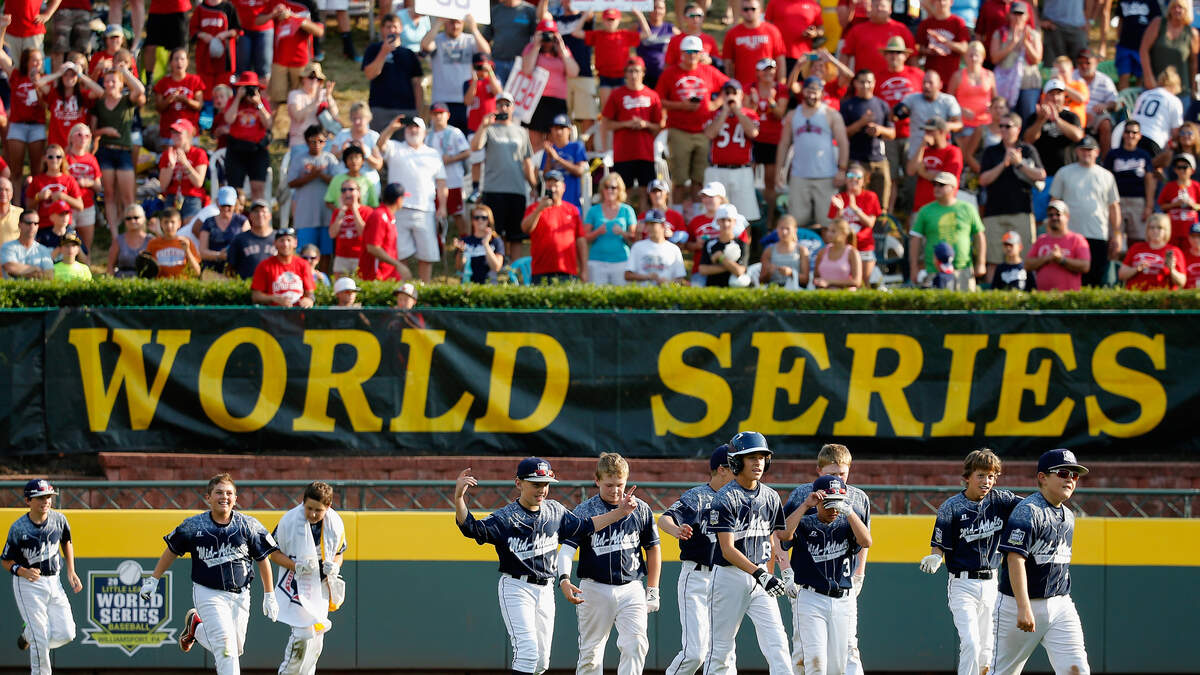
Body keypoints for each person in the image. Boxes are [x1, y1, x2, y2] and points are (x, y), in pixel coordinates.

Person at [453, 458, 639, 675]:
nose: (542, 489)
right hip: (517, 587)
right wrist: (458, 498)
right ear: (518, 483)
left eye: (545, 484)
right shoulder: (506, 517)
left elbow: (586, 526)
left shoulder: (554, 511)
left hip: (545, 589)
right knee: (527, 654)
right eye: (535, 484)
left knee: (541, 662)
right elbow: (472, 528)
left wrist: (621, 512)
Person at [141, 474, 295, 675]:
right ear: (208, 497)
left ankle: (196, 628)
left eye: (229, 493)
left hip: (240, 594)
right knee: (226, 649)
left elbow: (262, 559)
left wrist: (269, 595)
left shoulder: (247, 525)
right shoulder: (193, 526)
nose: (225, 497)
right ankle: (199, 628)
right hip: (208, 592)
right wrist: (154, 579)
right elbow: (172, 550)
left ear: (236, 498)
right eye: (219, 492)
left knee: (235, 648)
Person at [918, 449, 1022, 675]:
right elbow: (939, 542)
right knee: (972, 644)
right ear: (967, 477)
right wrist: (936, 556)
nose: (987, 481)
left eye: (992, 476)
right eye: (981, 475)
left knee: (988, 649)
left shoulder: (1001, 500)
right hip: (962, 584)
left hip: (992, 583)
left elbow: (1028, 507)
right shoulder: (951, 506)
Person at [557, 453, 661, 675]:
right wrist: (564, 578)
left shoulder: (640, 508)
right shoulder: (585, 510)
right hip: (594, 588)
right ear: (597, 480)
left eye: (620, 484)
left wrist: (653, 589)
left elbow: (652, 548)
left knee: (636, 645)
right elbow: (566, 549)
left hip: (631, 587)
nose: (615, 490)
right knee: (591, 655)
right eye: (609, 484)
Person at [991, 449, 1091, 675]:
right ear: (1042, 478)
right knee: (1003, 672)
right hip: (1016, 605)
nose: (1070, 479)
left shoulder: (1068, 516)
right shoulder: (1028, 511)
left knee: (1077, 669)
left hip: (1060, 604)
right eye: (1063, 473)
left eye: (1074, 475)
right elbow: (1014, 558)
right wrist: (1023, 607)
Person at [778, 443, 873, 675]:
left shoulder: (858, 498)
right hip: (808, 584)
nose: (838, 478)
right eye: (832, 474)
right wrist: (786, 570)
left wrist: (860, 572)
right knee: (807, 653)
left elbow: (865, 540)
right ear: (819, 471)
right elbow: (780, 536)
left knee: (848, 650)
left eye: (842, 473)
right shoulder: (803, 494)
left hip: (842, 585)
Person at [704, 431, 793, 675]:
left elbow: (772, 539)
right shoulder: (724, 498)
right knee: (720, 650)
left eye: (762, 457)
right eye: (750, 457)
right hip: (729, 577)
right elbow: (727, 549)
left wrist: (777, 572)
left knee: (778, 644)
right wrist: (761, 574)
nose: (758, 462)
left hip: (761, 574)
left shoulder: (771, 496)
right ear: (735, 461)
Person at [658, 446, 734, 675]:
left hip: (726, 579)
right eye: (735, 467)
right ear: (722, 469)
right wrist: (676, 529)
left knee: (725, 653)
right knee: (695, 653)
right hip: (697, 578)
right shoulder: (698, 496)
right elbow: (664, 520)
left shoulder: (738, 496)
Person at [1, 479, 81, 675]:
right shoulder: (19, 527)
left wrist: (71, 570)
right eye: (39, 497)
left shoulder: (59, 519)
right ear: (28, 500)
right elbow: (6, 560)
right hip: (28, 583)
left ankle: (29, 635)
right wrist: (23, 571)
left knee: (67, 633)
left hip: (54, 581)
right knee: (41, 638)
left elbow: (66, 541)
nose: (45, 501)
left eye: (48, 497)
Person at [272, 481, 346, 675]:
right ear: (302, 502)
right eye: (309, 508)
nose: (313, 514)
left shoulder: (335, 523)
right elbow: (273, 553)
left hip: (320, 585)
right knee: (302, 636)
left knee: (316, 641)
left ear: (328, 507)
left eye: (318, 510)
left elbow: (340, 553)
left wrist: (334, 566)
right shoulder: (288, 521)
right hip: (296, 583)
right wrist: (296, 566)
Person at [657, 35, 729, 210]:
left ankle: (698, 216)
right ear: (681, 53)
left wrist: (717, 103)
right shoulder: (670, 73)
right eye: (688, 52)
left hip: (703, 132)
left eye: (695, 52)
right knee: (680, 180)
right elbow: (658, 99)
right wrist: (681, 106)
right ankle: (678, 215)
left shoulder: (708, 71)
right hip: (679, 130)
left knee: (699, 179)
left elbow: (729, 85)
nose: (692, 56)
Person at [377, 116, 447, 282]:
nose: (413, 130)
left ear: (424, 132)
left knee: (427, 254)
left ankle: (424, 289)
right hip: (398, 210)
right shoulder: (396, 147)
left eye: (416, 128)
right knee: (400, 253)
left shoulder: (433, 154)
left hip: (425, 210)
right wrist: (392, 128)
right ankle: (404, 289)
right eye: (409, 128)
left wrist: (442, 206)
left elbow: (442, 182)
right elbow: (380, 145)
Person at [776, 76, 850, 229]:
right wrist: (779, 171)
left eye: (815, 91)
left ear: (822, 93)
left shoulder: (830, 114)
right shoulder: (792, 115)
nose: (812, 95)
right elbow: (784, 144)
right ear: (803, 91)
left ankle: (827, 252)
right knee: (796, 221)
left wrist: (842, 170)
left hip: (826, 175)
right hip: (799, 175)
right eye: (809, 91)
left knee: (828, 221)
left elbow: (843, 142)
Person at [978, 110, 1045, 280]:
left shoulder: (1027, 150)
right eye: (1001, 126)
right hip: (994, 214)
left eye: (1008, 126)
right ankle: (992, 300)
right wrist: (1003, 163)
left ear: (1018, 128)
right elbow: (983, 180)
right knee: (993, 260)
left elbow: (1041, 175)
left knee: (1024, 259)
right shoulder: (991, 151)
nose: (1003, 129)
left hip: (1021, 212)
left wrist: (1019, 164)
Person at [1049, 136, 1122, 286]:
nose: (1086, 153)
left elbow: (1113, 207)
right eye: (1083, 150)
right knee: (1068, 277)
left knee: (1096, 279)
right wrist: (1053, 231)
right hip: (1070, 235)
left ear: (1097, 152)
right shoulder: (1064, 172)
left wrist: (1116, 234)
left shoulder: (1106, 176)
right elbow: (1054, 203)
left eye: (1090, 150)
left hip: (1097, 234)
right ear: (1077, 151)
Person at [472, 93, 536, 261]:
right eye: (500, 105)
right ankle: (495, 268)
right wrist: (483, 126)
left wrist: (534, 186)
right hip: (493, 189)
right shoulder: (490, 129)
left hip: (516, 189)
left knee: (516, 235)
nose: (503, 108)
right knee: (494, 233)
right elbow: (475, 147)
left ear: (512, 108)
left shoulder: (521, 132)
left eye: (507, 105)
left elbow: (527, 162)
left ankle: (513, 270)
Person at [601, 56, 664, 208]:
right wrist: (626, 124)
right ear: (625, 74)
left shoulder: (652, 95)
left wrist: (645, 124)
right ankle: (626, 224)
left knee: (646, 191)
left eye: (637, 71)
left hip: (645, 153)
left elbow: (660, 125)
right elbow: (606, 123)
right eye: (630, 71)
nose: (633, 75)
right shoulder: (617, 95)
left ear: (643, 73)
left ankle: (644, 223)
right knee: (623, 191)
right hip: (623, 153)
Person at [910, 172, 986, 289]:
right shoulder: (925, 210)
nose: (936, 188)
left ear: (953, 188)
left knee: (965, 306)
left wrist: (981, 263)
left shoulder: (967, 208)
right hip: (933, 271)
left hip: (963, 270)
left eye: (941, 185)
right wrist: (914, 267)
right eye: (935, 184)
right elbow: (915, 239)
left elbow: (979, 236)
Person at [420, 15, 489, 133]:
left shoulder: (470, 40)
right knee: (441, 137)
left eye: (458, 23)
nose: (455, 26)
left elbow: (486, 51)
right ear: (446, 23)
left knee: (466, 138)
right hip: (442, 99)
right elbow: (425, 45)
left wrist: (474, 29)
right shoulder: (437, 39)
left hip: (466, 99)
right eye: (451, 22)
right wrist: (438, 23)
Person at [704, 80, 761, 222]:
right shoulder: (714, 114)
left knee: (744, 218)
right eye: (727, 93)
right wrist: (724, 112)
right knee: (714, 216)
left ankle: (743, 243)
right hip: (718, 170)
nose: (731, 96)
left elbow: (753, 132)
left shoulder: (750, 114)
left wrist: (737, 111)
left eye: (734, 92)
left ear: (741, 94)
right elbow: (710, 134)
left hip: (741, 170)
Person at [519, 18, 579, 150]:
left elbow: (574, 72)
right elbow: (526, 70)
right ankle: (535, 169)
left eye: (551, 33)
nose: (548, 38)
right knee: (534, 142)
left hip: (557, 101)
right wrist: (536, 46)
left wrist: (561, 47)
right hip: (536, 100)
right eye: (545, 33)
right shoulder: (531, 48)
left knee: (555, 141)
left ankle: (551, 169)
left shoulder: (562, 50)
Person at [1, 46, 47, 207]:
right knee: (16, 171)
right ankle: (16, 207)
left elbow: (45, 104)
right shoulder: (16, 76)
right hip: (17, 126)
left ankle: (33, 207)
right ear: (26, 62)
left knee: (36, 171)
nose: (37, 63)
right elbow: (1, 54)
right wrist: (4, 28)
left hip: (37, 127)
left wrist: (38, 85)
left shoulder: (46, 78)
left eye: (40, 60)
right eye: (34, 60)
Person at [522, 169, 588, 284]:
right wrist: (539, 209)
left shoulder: (572, 210)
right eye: (549, 185)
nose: (552, 189)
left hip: (567, 271)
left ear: (563, 187)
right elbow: (525, 228)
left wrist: (583, 269)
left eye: (555, 185)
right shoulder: (534, 208)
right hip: (541, 271)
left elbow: (580, 240)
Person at [362, 14, 424, 133]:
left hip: (407, 110)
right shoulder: (373, 49)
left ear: (401, 28)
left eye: (395, 27)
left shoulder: (409, 54)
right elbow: (370, 74)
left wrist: (418, 112)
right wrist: (383, 52)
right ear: (382, 29)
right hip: (380, 109)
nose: (391, 30)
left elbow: (417, 85)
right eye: (388, 27)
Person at [259, 0, 323, 114]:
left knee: (302, 99)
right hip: (279, 60)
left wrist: (295, 19)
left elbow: (319, 31)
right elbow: (257, 21)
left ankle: (300, 130)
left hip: (302, 61)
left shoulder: (309, 4)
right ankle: (268, 130)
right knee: (274, 100)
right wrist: (272, 15)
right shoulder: (275, 2)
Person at [1103, 119, 1155, 249]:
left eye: (1134, 132)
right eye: (1127, 132)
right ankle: (1114, 268)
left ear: (1139, 135)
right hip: (1116, 201)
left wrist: (1149, 205)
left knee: (1138, 239)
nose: (1130, 135)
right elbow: (1107, 179)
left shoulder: (1144, 155)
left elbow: (1149, 180)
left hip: (1138, 201)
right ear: (1123, 134)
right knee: (1114, 239)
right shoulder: (1113, 154)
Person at [286, 125, 338, 254]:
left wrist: (320, 174)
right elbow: (291, 183)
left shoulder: (330, 159)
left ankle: (325, 275)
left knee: (326, 252)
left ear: (325, 142)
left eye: (320, 141)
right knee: (305, 252)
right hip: (305, 215)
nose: (316, 145)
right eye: (313, 141)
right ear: (307, 141)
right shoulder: (299, 159)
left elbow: (336, 183)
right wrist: (312, 176)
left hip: (326, 214)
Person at [586, 9, 643, 126]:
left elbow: (647, 34)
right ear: (603, 20)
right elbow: (576, 33)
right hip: (604, 77)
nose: (610, 22)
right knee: (606, 112)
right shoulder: (598, 34)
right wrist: (586, 15)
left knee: (621, 111)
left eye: (613, 19)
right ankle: (606, 141)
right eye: (607, 19)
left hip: (621, 77)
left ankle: (620, 137)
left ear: (618, 20)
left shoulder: (624, 34)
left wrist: (639, 15)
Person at [223, 72, 274, 204]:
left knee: (258, 188)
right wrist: (238, 98)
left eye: (252, 88)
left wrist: (258, 104)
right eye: (246, 88)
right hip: (236, 150)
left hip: (257, 149)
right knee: (235, 190)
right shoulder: (233, 102)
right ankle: (236, 220)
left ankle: (258, 218)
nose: (249, 92)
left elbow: (268, 124)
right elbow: (228, 119)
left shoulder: (262, 102)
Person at [838, 0, 915, 85]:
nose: (879, 9)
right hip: (866, 85)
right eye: (875, 6)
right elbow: (845, 55)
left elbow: (913, 56)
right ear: (870, 9)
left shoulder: (901, 29)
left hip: (894, 84)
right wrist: (845, 81)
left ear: (890, 9)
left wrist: (913, 78)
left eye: (882, 6)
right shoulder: (857, 30)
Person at [990, 2, 1042, 121]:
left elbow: (1037, 59)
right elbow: (994, 58)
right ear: (1009, 15)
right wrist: (1012, 43)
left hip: (1028, 83)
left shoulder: (1033, 34)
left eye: (1021, 14)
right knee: (1006, 118)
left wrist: (1026, 43)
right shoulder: (1000, 33)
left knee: (1027, 117)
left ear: (1027, 16)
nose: (1017, 17)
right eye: (1015, 13)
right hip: (1004, 84)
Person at [426, 102, 472, 236]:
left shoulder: (454, 133)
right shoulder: (427, 135)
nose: (438, 117)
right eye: (435, 114)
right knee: (435, 214)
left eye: (441, 113)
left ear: (448, 115)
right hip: (433, 182)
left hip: (453, 180)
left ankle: (465, 241)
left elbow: (467, 152)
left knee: (457, 213)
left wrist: (451, 159)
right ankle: (439, 244)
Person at [42, 55, 103, 152]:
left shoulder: (83, 95)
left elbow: (100, 92)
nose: (69, 78)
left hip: (77, 147)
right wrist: (58, 73)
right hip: (56, 147)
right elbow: (38, 83)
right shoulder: (54, 94)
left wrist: (81, 75)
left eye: (72, 75)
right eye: (66, 74)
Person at [585, 173, 637, 285]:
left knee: (621, 298)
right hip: (597, 260)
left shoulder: (627, 210)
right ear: (602, 190)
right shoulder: (593, 210)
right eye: (606, 187)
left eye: (613, 187)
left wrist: (623, 233)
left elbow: (635, 237)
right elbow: (585, 238)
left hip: (621, 260)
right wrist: (597, 232)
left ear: (619, 190)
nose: (609, 190)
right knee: (597, 299)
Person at [1026, 199, 1091, 290]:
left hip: (1067, 298)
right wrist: (1046, 258)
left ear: (1067, 217)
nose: (1054, 217)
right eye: (1050, 215)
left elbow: (1085, 266)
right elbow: (1027, 264)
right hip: (1043, 298)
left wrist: (1061, 260)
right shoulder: (1041, 240)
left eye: (1058, 214)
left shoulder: (1077, 239)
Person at [1139, 0, 1198, 96]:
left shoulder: (1192, 33)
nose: (1177, 10)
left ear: (1187, 11)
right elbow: (1143, 50)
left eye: (1180, 7)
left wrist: (1192, 87)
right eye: (1174, 7)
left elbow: (1193, 64)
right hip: (1155, 87)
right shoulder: (1158, 23)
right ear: (1169, 9)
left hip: (1181, 91)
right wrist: (1148, 77)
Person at [906, 116, 963, 216]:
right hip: (921, 207)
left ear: (941, 132)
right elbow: (910, 171)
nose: (926, 135)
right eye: (926, 131)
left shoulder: (953, 151)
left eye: (930, 131)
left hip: (942, 208)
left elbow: (947, 178)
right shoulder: (924, 150)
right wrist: (922, 145)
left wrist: (923, 172)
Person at [158, 120, 210, 225]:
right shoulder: (167, 154)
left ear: (188, 135)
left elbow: (198, 183)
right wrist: (171, 166)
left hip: (192, 196)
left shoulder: (199, 153)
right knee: (170, 224)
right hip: (172, 196)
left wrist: (185, 163)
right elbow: (163, 186)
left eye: (179, 132)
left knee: (190, 224)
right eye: (173, 132)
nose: (174, 135)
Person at [722, 0, 785, 87]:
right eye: (746, 9)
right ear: (741, 11)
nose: (749, 12)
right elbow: (727, 63)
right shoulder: (732, 33)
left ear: (760, 10)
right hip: (742, 87)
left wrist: (781, 86)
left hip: (767, 88)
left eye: (753, 9)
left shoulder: (772, 31)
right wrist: (732, 86)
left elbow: (780, 61)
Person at [26, 145, 84, 237]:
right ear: (45, 158)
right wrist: (38, 197)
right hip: (44, 226)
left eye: (58, 157)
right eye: (50, 157)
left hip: (65, 226)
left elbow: (80, 206)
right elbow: (28, 206)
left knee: (80, 250)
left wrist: (64, 197)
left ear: (63, 159)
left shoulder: (69, 180)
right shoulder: (37, 180)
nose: (54, 160)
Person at [1125, 67, 1185, 156]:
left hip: (1132, 135)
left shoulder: (1145, 94)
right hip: (1153, 140)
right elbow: (1176, 131)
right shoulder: (1173, 100)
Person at [1118, 213, 1187, 289]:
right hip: (1136, 295)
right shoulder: (1136, 247)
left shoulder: (1174, 251)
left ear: (1166, 230)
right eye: (1152, 227)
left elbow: (1182, 282)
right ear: (1147, 230)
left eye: (1159, 228)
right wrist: (1136, 269)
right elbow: (1121, 274)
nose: (1155, 231)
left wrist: (1171, 270)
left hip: (1162, 296)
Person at [251, 226, 316, 306]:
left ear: (295, 243)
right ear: (275, 243)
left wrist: (309, 300)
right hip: (273, 315)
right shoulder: (264, 266)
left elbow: (310, 293)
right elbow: (255, 296)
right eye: (281, 240)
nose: (285, 244)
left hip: (298, 315)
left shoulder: (303, 265)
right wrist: (273, 298)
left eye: (289, 240)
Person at [154, 48, 206, 146]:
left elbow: (199, 105)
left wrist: (185, 100)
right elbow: (158, 108)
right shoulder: (163, 82)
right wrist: (169, 99)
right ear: (170, 62)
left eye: (182, 59)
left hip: (190, 132)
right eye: (176, 59)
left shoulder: (195, 80)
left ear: (187, 62)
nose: (179, 62)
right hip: (168, 133)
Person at [360, 183, 411, 281]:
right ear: (398, 200)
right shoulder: (379, 216)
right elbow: (372, 247)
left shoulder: (387, 216)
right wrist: (398, 265)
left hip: (387, 274)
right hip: (376, 275)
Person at [190, 0, 240, 100]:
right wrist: (202, 35)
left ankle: (222, 113)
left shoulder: (228, 7)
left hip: (225, 59)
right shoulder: (201, 8)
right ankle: (207, 112)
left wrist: (225, 34)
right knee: (206, 90)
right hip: (205, 58)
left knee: (224, 91)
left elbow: (237, 30)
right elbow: (192, 30)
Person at [480, 0, 538, 83]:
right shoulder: (495, 11)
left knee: (517, 95)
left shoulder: (530, 10)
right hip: (497, 63)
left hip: (521, 65)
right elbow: (485, 39)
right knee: (498, 95)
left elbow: (536, 38)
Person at [541, 113, 589, 213]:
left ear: (569, 130)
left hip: (573, 202)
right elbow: (545, 177)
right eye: (555, 128)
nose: (558, 132)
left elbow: (580, 171)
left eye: (562, 128)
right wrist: (549, 157)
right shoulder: (549, 150)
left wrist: (557, 159)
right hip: (553, 204)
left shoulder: (577, 146)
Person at [63, 125, 101, 251]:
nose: (83, 138)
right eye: (79, 134)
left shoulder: (91, 159)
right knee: (67, 246)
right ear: (71, 138)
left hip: (87, 206)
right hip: (69, 207)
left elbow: (99, 187)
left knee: (86, 249)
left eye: (87, 135)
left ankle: (86, 270)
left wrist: (88, 183)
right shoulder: (64, 158)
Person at [1073, 48, 1118, 153]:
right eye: (1080, 63)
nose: (1084, 66)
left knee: (1106, 123)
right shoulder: (1071, 76)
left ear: (1096, 62)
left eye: (1088, 63)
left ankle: (1105, 161)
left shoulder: (1105, 80)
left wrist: (1105, 106)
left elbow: (1115, 102)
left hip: (1097, 114)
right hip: (1076, 112)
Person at [625, 209, 687, 285]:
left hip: (666, 293)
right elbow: (627, 275)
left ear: (663, 225)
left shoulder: (674, 249)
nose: (648, 227)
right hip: (642, 294)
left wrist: (668, 283)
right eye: (647, 224)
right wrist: (647, 277)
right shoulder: (637, 246)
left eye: (652, 224)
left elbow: (680, 278)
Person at [949, 41, 995, 140]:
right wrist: (960, 110)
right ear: (965, 57)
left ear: (983, 57)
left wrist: (991, 107)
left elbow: (995, 99)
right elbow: (949, 100)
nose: (974, 59)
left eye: (977, 55)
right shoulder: (957, 76)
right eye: (970, 55)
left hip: (985, 123)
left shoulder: (989, 75)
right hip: (964, 124)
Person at [285, 63, 337, 151]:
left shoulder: (324, 94)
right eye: (311, 77)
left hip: (322, 142)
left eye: (318, 79)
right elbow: (298, 117)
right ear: (303, 79)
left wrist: (329, 98)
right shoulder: (295, 95)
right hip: (301, 141)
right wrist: (315, 102)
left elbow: (335, 116)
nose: (314, 81)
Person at [699, 203, 751, 287]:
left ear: (735, 222)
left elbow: (740, 271)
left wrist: (721, 258)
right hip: (713, 288)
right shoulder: (709, 243)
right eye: (722, 220)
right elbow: (703, 270)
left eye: (729, 220)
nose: (726, 224)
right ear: (717, 221)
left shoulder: (743, 244)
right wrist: (731, 267)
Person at [1113, 0, 1160, 90]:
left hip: (1143, 48)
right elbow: (1120, 20)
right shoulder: (1122, 2)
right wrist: (1118, 39)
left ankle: (1138, 102)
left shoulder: (1152, 2)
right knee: (1124, 76)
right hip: (1124, 45)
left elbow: (1156, 22)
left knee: (1141, 78)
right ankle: (1123, 102)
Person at [328, 180, 371, 277]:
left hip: (360, 257)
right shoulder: (337, 212)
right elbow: (332, 234)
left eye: (351, 189)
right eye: (343, 190)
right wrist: (341, 212)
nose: (347, 192)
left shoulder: (367, 211)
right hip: (341, 257)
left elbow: (364, 234)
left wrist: (355, 210)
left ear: (358, 193)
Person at [227, 199, 278, 279]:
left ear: (270, 215)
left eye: (264, 211)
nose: (260, 214)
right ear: (250, 216)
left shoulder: (280, 239)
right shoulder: (240, 239)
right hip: (247, 287)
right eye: (256, 211)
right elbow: (230, 268)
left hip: (275, 287)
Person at [1157, 152, 1200, 248]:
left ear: (1192, 170)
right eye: (1178, 167)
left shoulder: (1196, 186)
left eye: (1184, 167)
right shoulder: (1169, 186)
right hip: (1173, 229)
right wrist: (1175, 204)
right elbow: (1161, 206)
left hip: (1191, 231)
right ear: (1175, 170)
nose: (1181, 170)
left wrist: (1193, 205)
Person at [454, 204, 505, 283]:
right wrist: (461, 251)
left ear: (489, 220)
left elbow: (496, 267)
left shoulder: (495, 241)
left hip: (490, 286)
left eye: (484, 218)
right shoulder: (465, 241)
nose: (480, 220)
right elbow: (459, 267)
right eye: (476, 218)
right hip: (468, 286)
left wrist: (486, 244)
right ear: (472, 220)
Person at [145, 208, 202, 278]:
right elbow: (147, 271)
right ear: (161, 224)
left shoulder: (187, 242)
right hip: (160, 285)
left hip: (182, 284)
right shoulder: (153, 243)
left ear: (179, 223)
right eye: (166, 222)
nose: (169, 226)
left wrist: (187, 251)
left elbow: (197, 272)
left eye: (172, 222)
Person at [634, 0, 678, 89]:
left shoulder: (670, 28)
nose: (657, 11)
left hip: (663, 74)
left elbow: (683, 43)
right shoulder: (638, 27)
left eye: (661, 8)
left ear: (665, 10)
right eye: (654, 8)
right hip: (642, 75)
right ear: (649, 9)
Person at [813, 217, 863, 290]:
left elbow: (857, 282)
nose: (828, 234)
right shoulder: (822, 252)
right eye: (828, 230)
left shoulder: (852, 253)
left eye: (833, 231)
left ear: (844, 234)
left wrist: (830, 282)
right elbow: (816, 277)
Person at [1, 212, 53, 279]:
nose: (32, 226)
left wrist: (19, 272)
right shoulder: (7, 247)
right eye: (28, 223)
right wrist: (36, 268)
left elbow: (50, 275)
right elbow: (10, 267)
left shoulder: (43, 249)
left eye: (35, 223)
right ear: (19, 224)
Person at [760, 215, 808, 287]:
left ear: (795, 230)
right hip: (774, 289)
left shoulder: (802, 250)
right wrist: (768, 273)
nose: (784, 232)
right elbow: (761, 280)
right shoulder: (768, 251)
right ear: (777, 229)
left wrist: (791, 273)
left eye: (787, 228)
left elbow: (806, 279)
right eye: (781, 228)